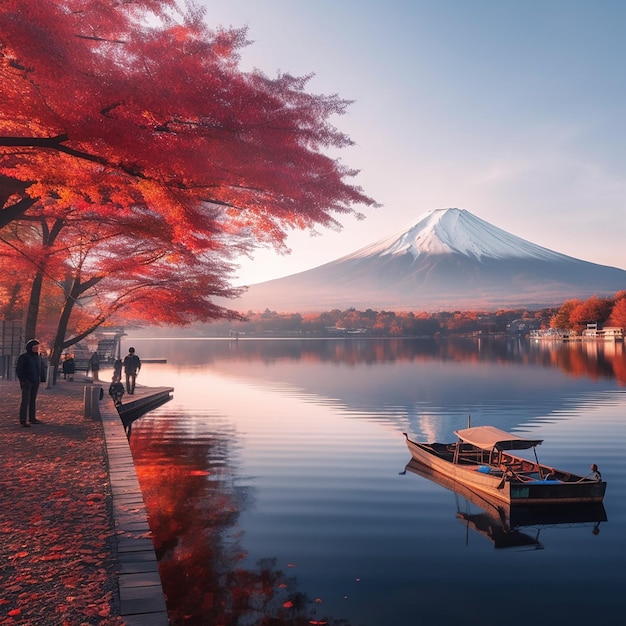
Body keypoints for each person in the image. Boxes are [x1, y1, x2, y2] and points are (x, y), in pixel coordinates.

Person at [15, 339, 47, 427]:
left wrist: (43, 379)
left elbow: (42, 368)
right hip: (27, 382)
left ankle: (32, 418)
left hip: (35, 381)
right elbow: (19, 370)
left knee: (32, 401)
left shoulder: (38, 357)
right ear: (30, 348)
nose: (36, 349)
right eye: (34, 347)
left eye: (37, 347)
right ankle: (23, 420)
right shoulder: (24, 357)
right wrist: (24, 380)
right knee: (25, 401)